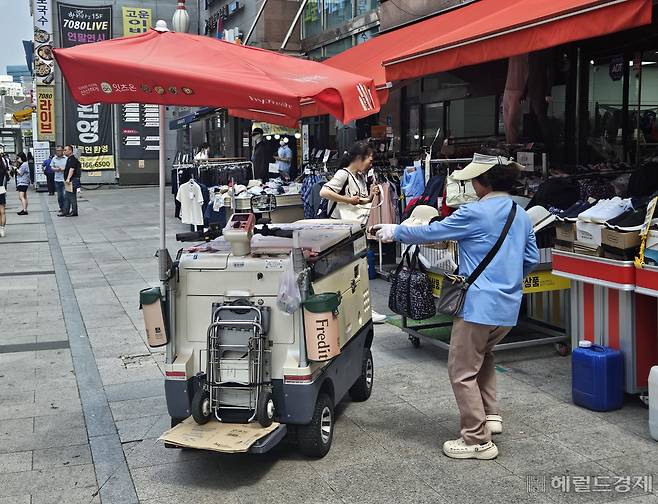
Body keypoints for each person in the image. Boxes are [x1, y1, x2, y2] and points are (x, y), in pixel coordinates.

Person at [374, 154, 539, 460]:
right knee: (483, 356)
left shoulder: (476, 212)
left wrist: (395, 231)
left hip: (477, 305)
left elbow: (433, 232)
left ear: (483, 182)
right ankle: (491, 416)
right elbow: (530, 258)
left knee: (461, 370)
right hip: (508, 305)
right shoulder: (520, 212)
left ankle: (477, 440)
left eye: (474, 179)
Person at [320, 141, 387, 324]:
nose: (371, 162)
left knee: (357, 271)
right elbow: (324, 192)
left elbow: (361, 202)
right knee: (349, 272)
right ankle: (354, 309)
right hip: (342, 234)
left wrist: (371, 196)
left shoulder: (359, 176)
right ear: (360, 158)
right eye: (370, 158)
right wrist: (348, 199)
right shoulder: (343, 174)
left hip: (355, 232)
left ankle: (361, 308)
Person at [60, 145, 81, 217]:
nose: (64, 151)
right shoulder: (69, 159)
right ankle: (65, 211)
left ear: (70, 151)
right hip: (69, 181)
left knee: (72, 197)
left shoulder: (72, 159)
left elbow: (72, 169)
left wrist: (68, 179)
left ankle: (74, 212)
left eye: (65, 150)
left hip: (71, 181)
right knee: (67, 196)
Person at [51, 145, 67, 213]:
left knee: (64, 195)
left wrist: (63, 169)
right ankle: (61, 207)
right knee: (59, 196)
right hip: (57, 180)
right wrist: (57, 169)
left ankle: (65, 208)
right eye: (57, 150)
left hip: (65, 180)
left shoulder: (66, 158)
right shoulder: (54, 158)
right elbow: (52, 168)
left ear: (63, 151)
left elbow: (70, 168)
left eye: (59, 150)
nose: (58, 152)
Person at [0, 152, 8, 237]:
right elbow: (7, 178)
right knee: (2, 211)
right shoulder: (2, 168)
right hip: (1, 190)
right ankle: (2, 229)